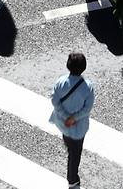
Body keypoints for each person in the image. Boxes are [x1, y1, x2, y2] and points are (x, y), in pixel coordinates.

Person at [49, 52, 95, 189]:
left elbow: (55, 101)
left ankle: (69, 148)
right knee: (75, 155)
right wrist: (73, 118)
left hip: (63, 124)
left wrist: (65, 117)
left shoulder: (60, 82)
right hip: (78, 128)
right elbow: (87, 109)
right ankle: (72, 180)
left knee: (69, 144)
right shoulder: (88, 87)